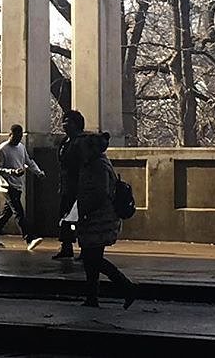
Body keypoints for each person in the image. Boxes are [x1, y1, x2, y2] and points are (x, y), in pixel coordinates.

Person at [76, 131, 137, 309]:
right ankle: (92, 297)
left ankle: (126, 287)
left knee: (92, 258)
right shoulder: (98, 163)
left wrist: (86, 210)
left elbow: (100, 193)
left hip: (98, 218)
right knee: (91, 259)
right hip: (97, 217)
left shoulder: (97, 166)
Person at [0, 124, 45, 251]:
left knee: (6, 214)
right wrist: (12, 172)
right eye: (16, 137)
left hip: (17, 185)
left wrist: (38, 172)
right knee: (19, 212)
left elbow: (28, 162)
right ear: (10, 135)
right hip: (6, 186)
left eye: (20, 137)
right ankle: (29, 238)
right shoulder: (1, 150)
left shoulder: (21, 147)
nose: (18, 139)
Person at [52, 109, 85, 260]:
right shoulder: (64, 142)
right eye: (64, 121)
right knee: (64, 217)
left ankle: (85, 249)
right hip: (66, 186)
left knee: (82, 219)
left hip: (80, 187)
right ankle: (66, 246)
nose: (65, 124)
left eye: (69, 122)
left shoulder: (82, 142)